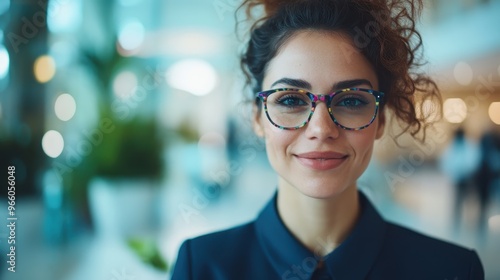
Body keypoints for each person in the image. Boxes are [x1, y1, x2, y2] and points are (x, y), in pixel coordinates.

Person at [171, 0, 484, 279]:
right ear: (257, 118)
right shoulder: (201, 266)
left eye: (350, 101)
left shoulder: (452, 270)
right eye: (291, 100)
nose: (321, 128)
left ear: (381, 120)